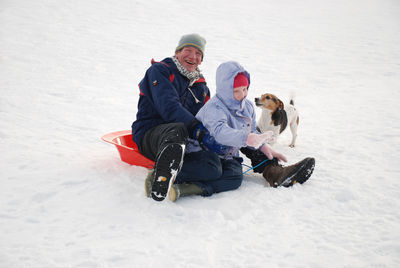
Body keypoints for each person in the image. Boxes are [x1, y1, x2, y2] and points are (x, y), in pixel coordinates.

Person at [168, 61, 315, 202]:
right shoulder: (215, 108)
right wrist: (246, 138)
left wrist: (264, 146)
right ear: (224, 90)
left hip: (227, 155)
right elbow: (220, 132)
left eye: (245, 89)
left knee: (235, 178)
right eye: (236, 91)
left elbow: (250, 131)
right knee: (213, 168)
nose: (242, 94)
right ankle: (168, 172)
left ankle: (193, 188)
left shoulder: (248, 107)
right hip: (202, 152)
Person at [132, 33, 226, 202]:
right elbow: (169, 107)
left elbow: (209, 115)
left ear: (201, 60)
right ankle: (165, 167)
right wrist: (198, 130)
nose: (192, 57)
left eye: (198, 54)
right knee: (178, 128)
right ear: (177, 52)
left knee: (214, 165)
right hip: (151, 135)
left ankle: (162, 173)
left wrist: (220, 136)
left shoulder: (201, 87)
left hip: (185, 143)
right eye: (188, 50)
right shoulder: (160, 71)